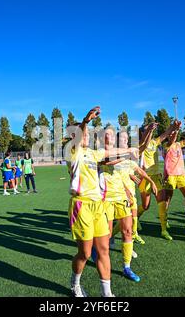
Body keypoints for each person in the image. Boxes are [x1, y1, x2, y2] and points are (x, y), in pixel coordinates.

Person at [67, 107, 138, 297]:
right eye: (84, 134)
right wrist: (85, 120)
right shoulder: (73, 151)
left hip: (98, 205)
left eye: (88, 134)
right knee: (85, 254)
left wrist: (130, 150)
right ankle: (75, 284)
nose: (87, 137)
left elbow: (109, 155)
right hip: (81, 205)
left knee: (104, 249)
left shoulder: (92, 153)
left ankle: (107, 294)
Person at [101, 127, 158, 282]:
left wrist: (148, 133)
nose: (111, 136)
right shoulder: (102, 152)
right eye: (109, 134)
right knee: (106, 236)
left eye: (113, 134)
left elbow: (139, 151)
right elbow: (108, 161)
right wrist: (128, 153)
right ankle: (102, 264)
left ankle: (127, 267)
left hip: (121, 196)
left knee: (127, 230)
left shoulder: (124, 154)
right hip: (106, 198)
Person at [136, 121, 181, 239]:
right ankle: (135, 218)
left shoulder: (154, 142)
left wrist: (174, 126)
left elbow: (166, 133)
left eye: (151, 129)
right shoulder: (139, 144)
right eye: (147, 129)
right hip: (145, 178)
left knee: (162, 203)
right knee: (145, 206)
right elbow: (143, 143)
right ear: (142, 133)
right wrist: (149, 130)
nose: (151, 130)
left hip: (156, 176)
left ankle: (164, 230)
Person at [158, 120, 185, 240]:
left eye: (174, 134)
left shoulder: (179, 144)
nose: (173, 136)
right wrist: (176, 130)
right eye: (171, 134)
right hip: (170, 175)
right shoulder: (166, 146)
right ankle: (165, 220)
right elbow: (172, 139)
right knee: (167, 200)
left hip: (181, 175)